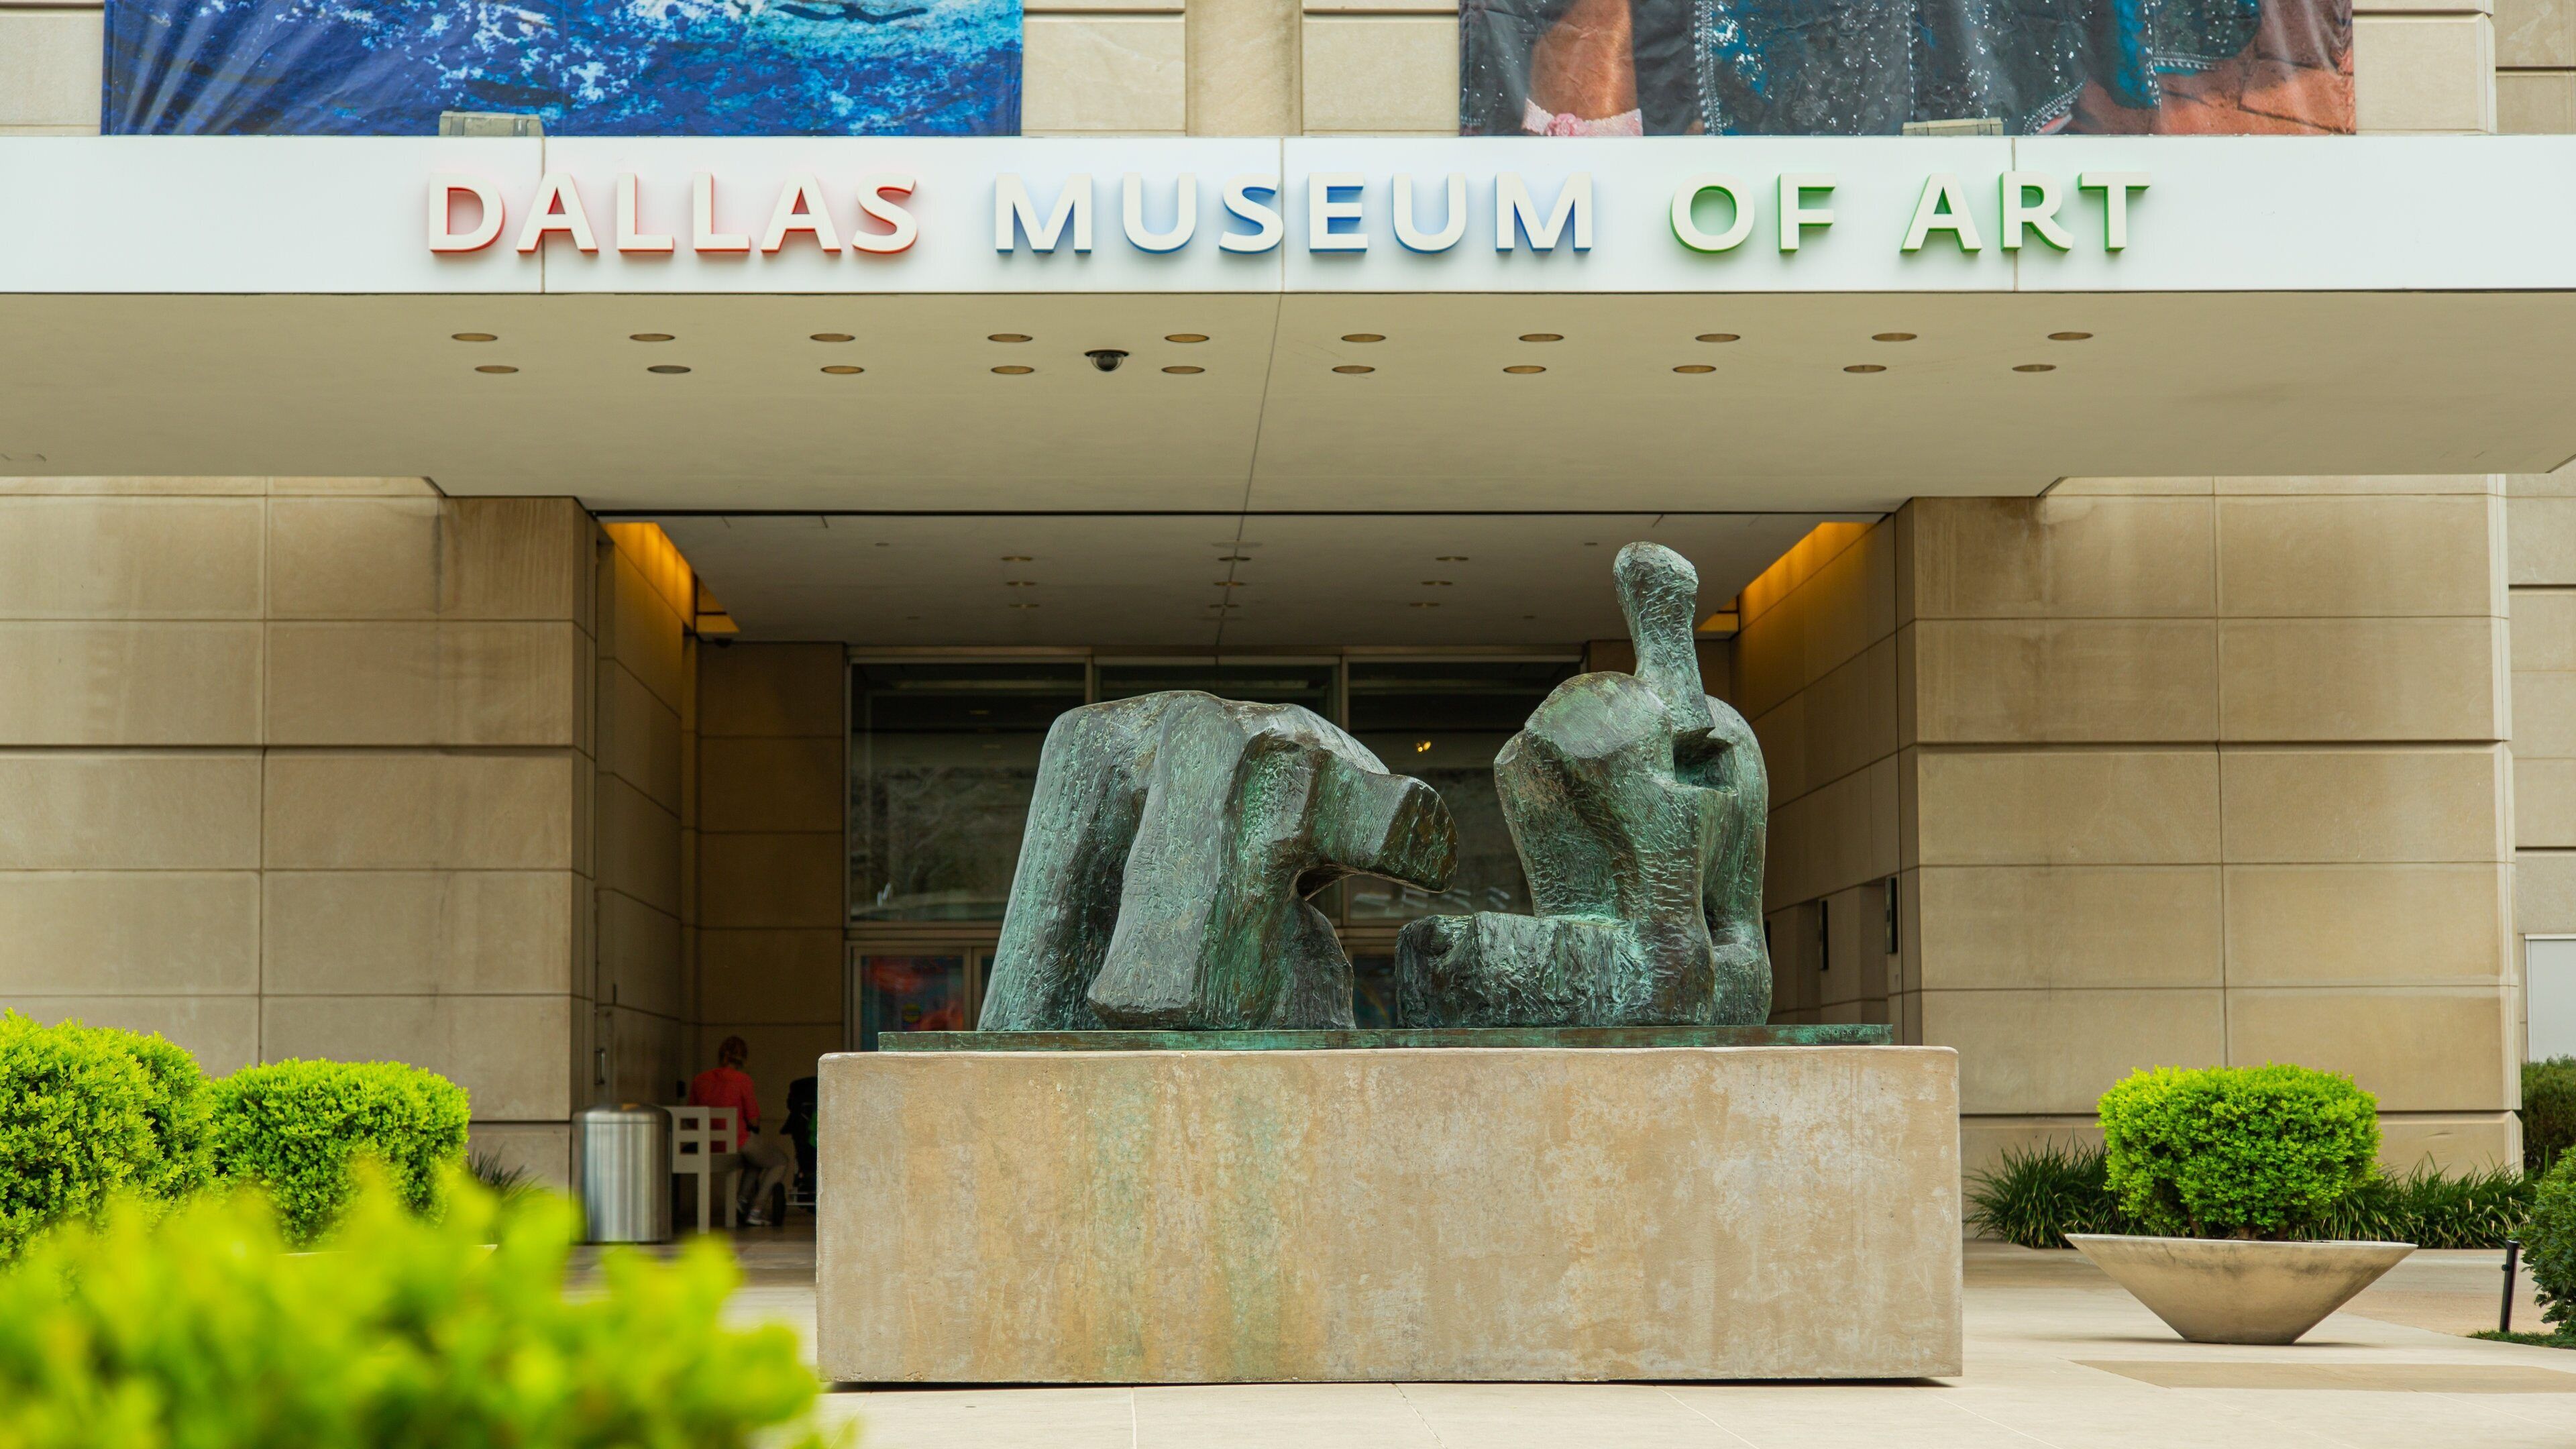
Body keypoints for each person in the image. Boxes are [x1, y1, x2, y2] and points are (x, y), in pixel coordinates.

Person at [688, 1036, 797, 1228]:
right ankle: (756, 1209)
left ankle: (741, 1202)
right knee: (779, 1161)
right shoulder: (742, 1080)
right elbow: (753, 1118)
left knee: (757, 1159)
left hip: (705, 1141)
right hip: (736, 1140)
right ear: (744, 1058)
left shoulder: (700, 1079)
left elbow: (690, 1116)